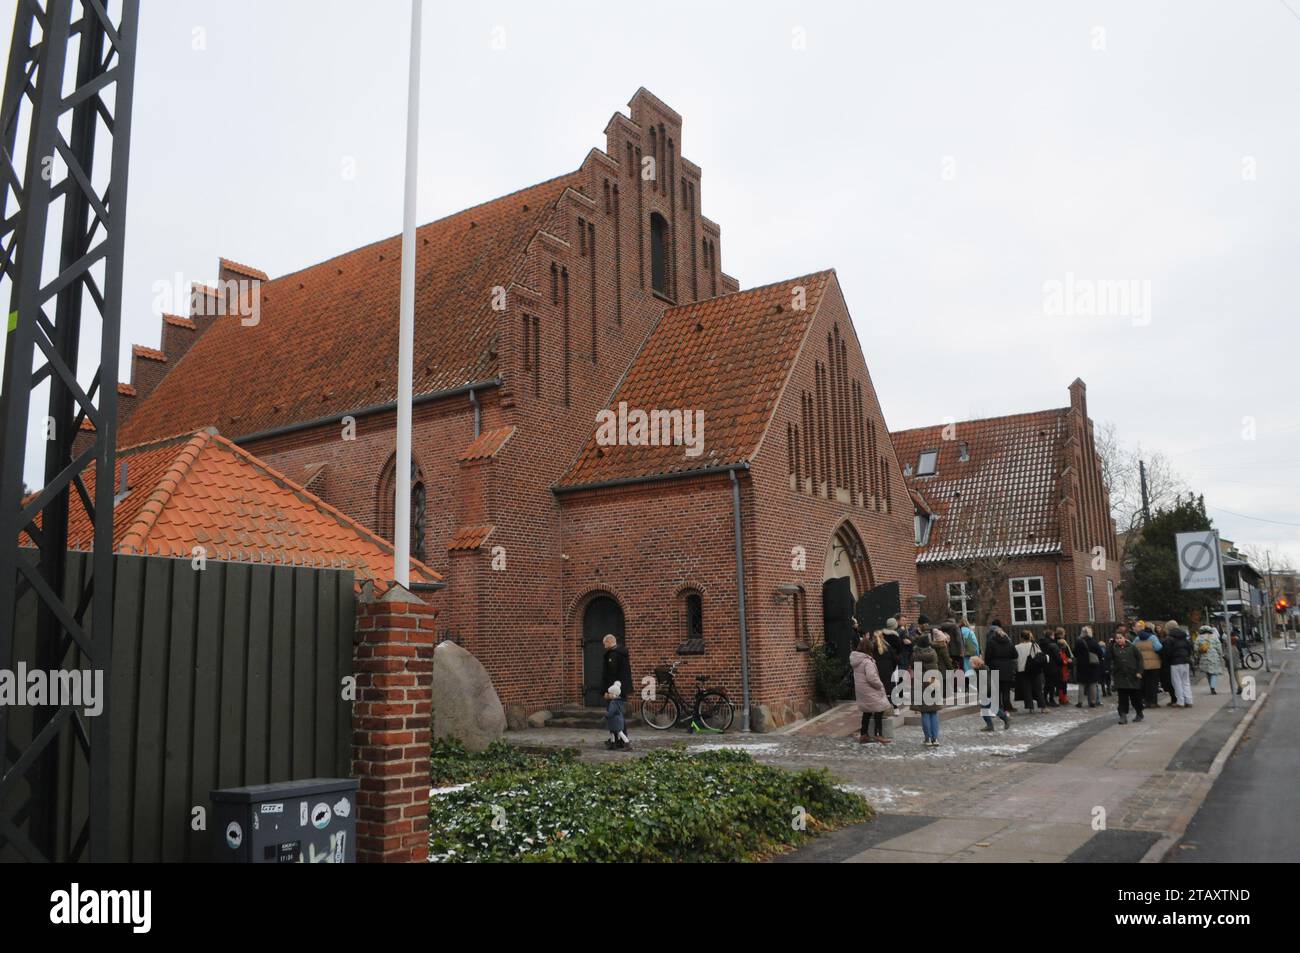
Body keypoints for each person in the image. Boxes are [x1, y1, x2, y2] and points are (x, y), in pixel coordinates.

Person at [851, 634, 894, 744]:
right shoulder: (867, 661)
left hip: (862, 690)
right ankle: (878, 734)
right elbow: (872, 677)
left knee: (867, 711)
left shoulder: (857, 660)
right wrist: (880, 685)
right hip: (870, 689)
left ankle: (864, 734)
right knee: (879, 710)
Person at [601, 634, 633, 749]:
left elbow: (611, 675)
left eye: (604, 643)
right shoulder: (621, 653)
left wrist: (607, 692)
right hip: (620, 689)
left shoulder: (613, 655)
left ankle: (622, 741)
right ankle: (617, 740)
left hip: (615, 691)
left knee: (615, 716)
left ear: (609, 642)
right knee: (618, 715)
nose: (603, 645)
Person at [911, 634, 943, 747]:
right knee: (933, 711)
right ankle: (935, 739)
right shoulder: (933, 653)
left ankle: (928, 739)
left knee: (925, 711)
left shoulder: (916, 654)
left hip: (921, 682)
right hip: (933, 680)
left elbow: (914, 667)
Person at [983, 624, 1018, 723]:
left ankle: (998, 710)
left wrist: (989, 664)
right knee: (1006, 691)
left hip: (995, 667)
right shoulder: (1009, 642)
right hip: (1007, 668)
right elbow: (1015, 655)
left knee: (996, 691)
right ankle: (1006, 709)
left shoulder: (991, 642)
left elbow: (987, 657)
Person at [1110, 628, 1145, 724]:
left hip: (1133, 676)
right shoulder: (1113, 648)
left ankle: (1139, 712)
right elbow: (1109, 659)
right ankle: (1123, 716)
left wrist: (1139, 672)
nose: (1118, 640)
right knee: (1122, 699)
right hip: (1120, 676)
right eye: (1116, 638)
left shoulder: (1132, 648)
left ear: (1125, 638)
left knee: (1135, 697)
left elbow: (1140, 659)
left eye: (1120, 638)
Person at [1163, 620, 1194, 708]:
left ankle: (1180, 701)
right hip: (1185, 661)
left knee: (1177, 682)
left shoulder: (1169, 638)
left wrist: (1169, 659)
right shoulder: (1184, 637)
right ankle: (1189, 700)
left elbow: (1167, 652)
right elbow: (1189, 648)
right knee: (1186, 682)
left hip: (1175, 662)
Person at [1133, 621, 1163, 707]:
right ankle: (1153, 702)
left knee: (1144, 684)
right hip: (1154, 665)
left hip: (1142, 664)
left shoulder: (1137, 638)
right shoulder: (1153, 637)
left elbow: (1133, 648)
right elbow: (1159, 648)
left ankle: (1146, 701)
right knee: (1153, 684)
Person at [1015, 630, 1045, 713]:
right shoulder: (1034, 646)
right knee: (1038, 688)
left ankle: (1030, 708)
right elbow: (1040, 657)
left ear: (1021, 637)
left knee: (1026, 689)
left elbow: (1015, 659)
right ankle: (1042, 707)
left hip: (1022, 670)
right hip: (1034, 670)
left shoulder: (1017, 647)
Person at [1193, 624, 1226, 696]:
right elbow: (1219, 647)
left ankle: (1211, 686)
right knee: (1214, 673)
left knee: (1208, 673)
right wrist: (1220, 655)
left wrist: (1197, 656)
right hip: (1214, 657)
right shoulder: (1214, 637)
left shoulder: (1198, 638)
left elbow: (1195, 649)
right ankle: (1213, 687)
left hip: (1204, 657)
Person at [1075, 626, 1102, 708]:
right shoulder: (1094, 642)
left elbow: (1074, 652)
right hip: (1092, 665)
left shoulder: (1078, 642)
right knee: (1092, 683)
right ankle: (1092, 702)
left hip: (1081, 665)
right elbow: (1100, 653)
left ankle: (1080, 701)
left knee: (1081, 684)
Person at [1037, 628, 1062, 706]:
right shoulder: (1052, 644)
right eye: (1053, 635)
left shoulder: (1041, 643)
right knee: (1052, 684)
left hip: (1045, 665)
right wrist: (1060, 663)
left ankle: (1044, 699)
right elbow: (1057, 657)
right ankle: (1051, 700)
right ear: (1051, 635)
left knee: (1047, 683)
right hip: (1053, 666)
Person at [1055, 627, 1073, 705]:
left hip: (1059, 668)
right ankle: (1063, 698)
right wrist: (1068, 662)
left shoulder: (1055, 642)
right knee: (1063, 683)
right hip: (1063, 668)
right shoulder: (1062, 645)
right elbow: (1068, 655)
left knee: (1060, 683)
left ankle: (1061, 697)